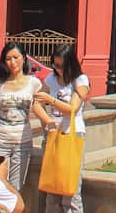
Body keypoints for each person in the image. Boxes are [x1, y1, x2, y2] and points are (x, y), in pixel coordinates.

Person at [0, 42, 55, 191]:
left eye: (16, 57)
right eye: (8, 59)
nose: (12, 62)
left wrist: (48, 130)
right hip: (0, 141)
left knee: (16, 187)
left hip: (22, 143)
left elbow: (40, 109)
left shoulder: (34, 83)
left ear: (24, 58)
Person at [34, 44, 90, 213]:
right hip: (52, 136)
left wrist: (50, 100)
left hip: (72, 135)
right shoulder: (50, 79)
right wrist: (46, 121)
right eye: (55, 65)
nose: (57, 69)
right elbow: (36, 103)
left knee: (70, 189)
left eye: (61, 66)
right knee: (52, 189)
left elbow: (73, 108)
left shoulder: (80, 80)